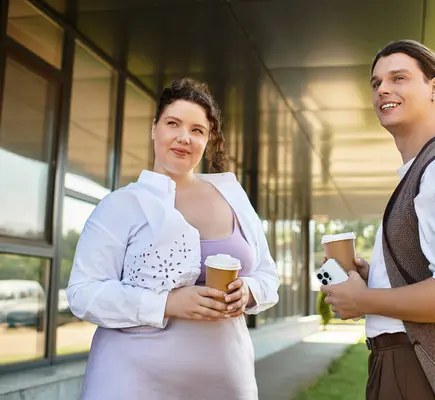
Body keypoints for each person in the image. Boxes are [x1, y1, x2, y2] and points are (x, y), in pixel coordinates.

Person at [67, 77, 279, 400]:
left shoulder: (233, 197)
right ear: (154, 128)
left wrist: (249, 292)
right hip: (131, 383)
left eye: (197, 130)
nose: (184, 137)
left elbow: (268, 275)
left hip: (223, 385)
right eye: (173, 123)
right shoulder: (120, 205)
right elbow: (83, 293)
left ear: (208, 140)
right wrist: (165, 303)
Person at [320, 40, 435, 399]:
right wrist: (372, 278)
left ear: (434, 88)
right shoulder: (421, 172)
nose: (383, 89)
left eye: (399, 78)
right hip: (405, 364)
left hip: (430, 374)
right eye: (376, 83)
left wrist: (365, 300)